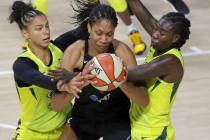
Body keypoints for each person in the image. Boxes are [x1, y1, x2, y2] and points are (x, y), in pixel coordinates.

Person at [50, 0, 149, 140]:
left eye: (109, 34)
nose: (103, 39)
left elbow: (144, 101)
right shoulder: (75, 52)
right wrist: (80, 82)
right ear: (89, 28)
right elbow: (56, 105)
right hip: (83, 120)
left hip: (117, 121)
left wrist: (121, 82)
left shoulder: (122, 52)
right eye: (99, 33)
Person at [9, 1, 83, 139]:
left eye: (47, 26)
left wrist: (93, 5)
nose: (46, 31)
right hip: (32, 133)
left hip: (64, 130)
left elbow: (85, 28)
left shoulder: (58, 47)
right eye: (39, 28)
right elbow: (41, 79)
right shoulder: (22, 64)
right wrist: (64, 84)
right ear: (26, 33)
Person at [123, 0, 191, 139]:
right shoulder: (161, 42)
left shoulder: (170, 62)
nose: (154, 34)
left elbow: (127, 75)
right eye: (156, 28)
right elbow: (141, 12)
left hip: (154, 133)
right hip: (137, 126)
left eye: (162, 32)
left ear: (175, 38)